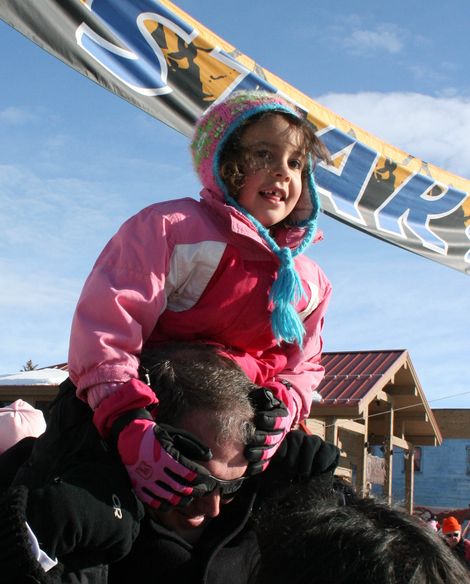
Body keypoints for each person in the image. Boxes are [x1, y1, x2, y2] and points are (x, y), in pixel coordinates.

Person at [66, 89, 332, 508]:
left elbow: (303, 364)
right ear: (225, 163)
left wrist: (284, 409)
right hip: (150, 411)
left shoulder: (307, 280)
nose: (283, 173)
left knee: (309, 495)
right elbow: (107, 326)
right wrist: (126, 419)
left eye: (296, 163)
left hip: (237, 439)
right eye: (264, 154)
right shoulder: (173, 229)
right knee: (88, 511)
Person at [2, 342, 340, 583]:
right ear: (139, 441)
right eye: (191, 481)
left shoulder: (261, 508)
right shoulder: (41, 490)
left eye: (232, 485)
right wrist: (31, 543)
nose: (213, 508)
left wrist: (319, 515)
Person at [254, 477, 470, 584]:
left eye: (455, 535)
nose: (452, 538)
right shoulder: (429, 555)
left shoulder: (437, 560)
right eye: (449, 534)